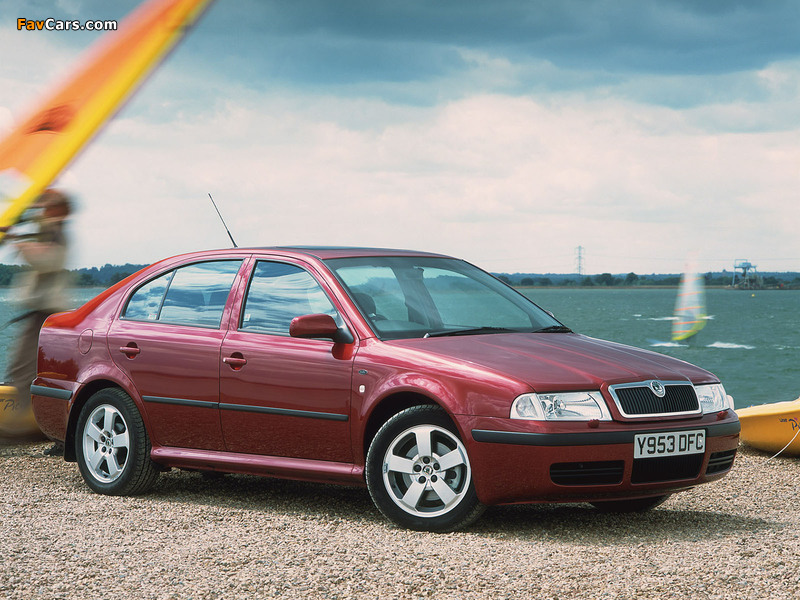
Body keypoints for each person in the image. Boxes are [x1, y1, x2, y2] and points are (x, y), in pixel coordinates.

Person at [0, 188, 71, 452]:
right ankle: (45, 430)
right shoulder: (48, 227)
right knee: (28, 370)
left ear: (58, 210)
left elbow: (44, 259)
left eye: (47, 205)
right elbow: (33, 226)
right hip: (40, 313)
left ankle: (33, 429)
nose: (42, 208)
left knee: (30, 371)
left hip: (45, 314)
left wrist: (16, 238)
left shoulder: (57, 232)